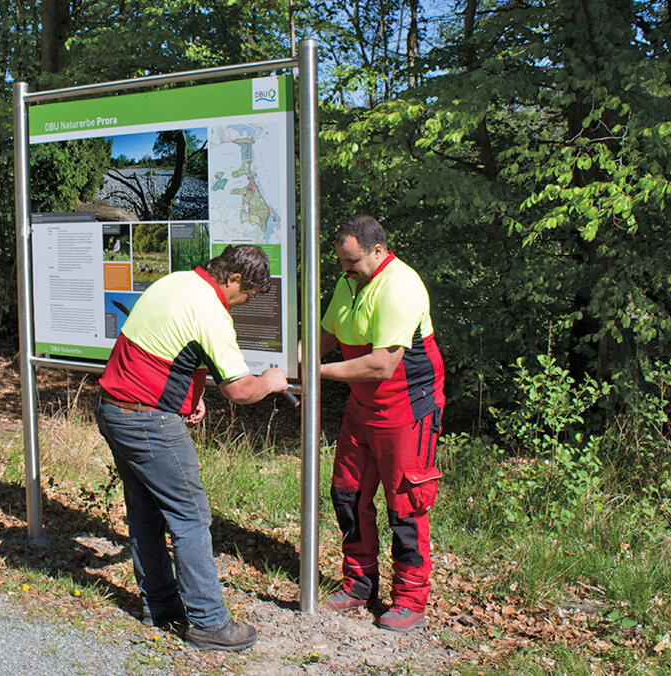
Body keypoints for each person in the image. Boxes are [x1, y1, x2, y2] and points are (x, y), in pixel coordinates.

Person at [95, 244, 289, 651]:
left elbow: (167, 347)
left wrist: (189, 394)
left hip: (114, 408)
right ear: (234, 280)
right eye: (247, 295)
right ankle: (209, 623)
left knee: (146, 512)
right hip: (146, 419)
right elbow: (238, 389)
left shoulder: (177, 282)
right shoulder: (212, 310)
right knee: (190, 515)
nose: (243, 303)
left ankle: (161, 606)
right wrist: (270, 381)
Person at [317, 214, 445, 632]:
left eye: (351, 260)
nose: (345, 269)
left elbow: (381, 364)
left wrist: (317, 372)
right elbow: (326, 337)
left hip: (407, 404)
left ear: (377, 250)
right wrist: (290, 364)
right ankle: (359, 582)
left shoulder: (401, 286)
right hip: (363, 404)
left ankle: (410, 598)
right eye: (341, 261)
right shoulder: (349, 281)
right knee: (347, 493)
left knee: (405, 504)